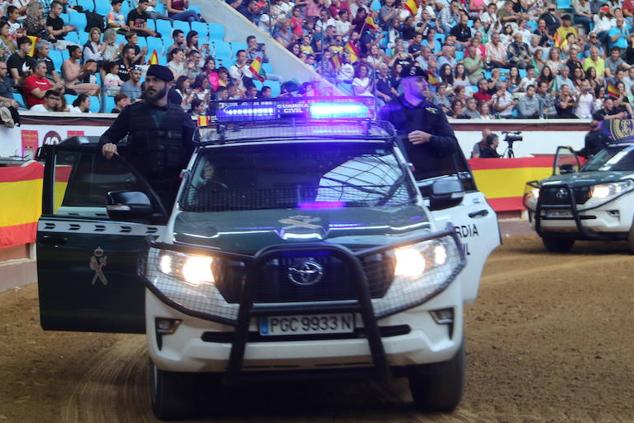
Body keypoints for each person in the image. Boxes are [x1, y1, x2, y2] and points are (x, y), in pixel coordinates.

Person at [99, 64, 196, 209]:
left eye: (156, 80)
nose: (150, 84)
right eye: (148, 80)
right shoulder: (131, 112)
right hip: (139, 188)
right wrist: (107, 145)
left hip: (173, 190)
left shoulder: (181, 116)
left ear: (169, 85)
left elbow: (194, 150)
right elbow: (107, 138)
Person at [379, 66, 459, 181]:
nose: (425, 84)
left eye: (425, 80)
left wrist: (430, 138)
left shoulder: (435, 111)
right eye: (419, 80)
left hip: (433, 178)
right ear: (405, 83)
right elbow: (380, 147)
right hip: (400, 181)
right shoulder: (388, 110)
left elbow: (452, 144)